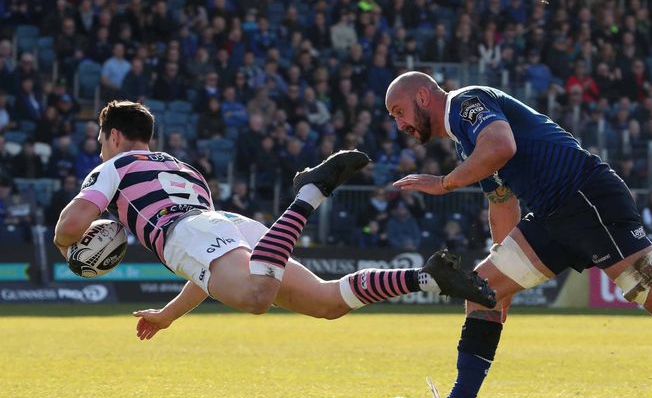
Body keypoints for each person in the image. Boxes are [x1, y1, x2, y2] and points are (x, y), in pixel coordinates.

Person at [384, 72, 652, 398]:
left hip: (586, 199)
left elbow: (502, 145)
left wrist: (445, 183)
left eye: (399, 112)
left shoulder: (468, 102)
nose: (399, 124)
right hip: (552, 216)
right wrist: (504, 277)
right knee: (483, 287)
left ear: (423, 95)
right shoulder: (465, 139)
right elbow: (502, 203)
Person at [53, 101, 494, 341]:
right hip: (219, 222)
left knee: (256, 297)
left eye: (100, 141)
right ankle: (428, 279)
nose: (100, 149)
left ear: (112, 136)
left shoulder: (115, 166)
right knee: (326, 303)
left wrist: (68, 247)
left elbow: (70, 228)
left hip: (186, 231)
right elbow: (209, 267)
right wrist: (169, 315)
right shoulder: (184, 170)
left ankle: (307, 193)